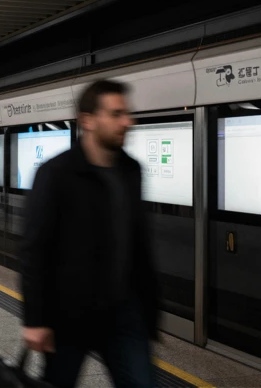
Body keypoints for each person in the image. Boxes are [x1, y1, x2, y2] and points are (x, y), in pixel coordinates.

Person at [19, 80, 159, 388]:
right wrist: (35, 319)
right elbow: (34, 248)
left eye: (127, 113)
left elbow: (138, 242)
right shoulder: (57, 173)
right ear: (88, 120)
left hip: (124, 313)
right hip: (69, 316)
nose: (127, 122)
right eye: (116, 114)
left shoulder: (130, 170)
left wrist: (149, 311)